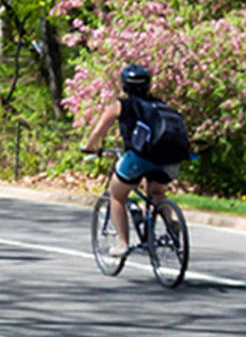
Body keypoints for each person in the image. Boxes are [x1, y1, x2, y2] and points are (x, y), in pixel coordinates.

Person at [80, 62, 193, 260]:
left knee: (117, 195)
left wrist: (90, 147)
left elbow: (99, 131)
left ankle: (123, 244)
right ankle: (170, 221)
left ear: (124, 85)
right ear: (148, 85)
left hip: (139, 157)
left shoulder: (120, 105)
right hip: (169, 159)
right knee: (157, 193)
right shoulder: (161, 105)